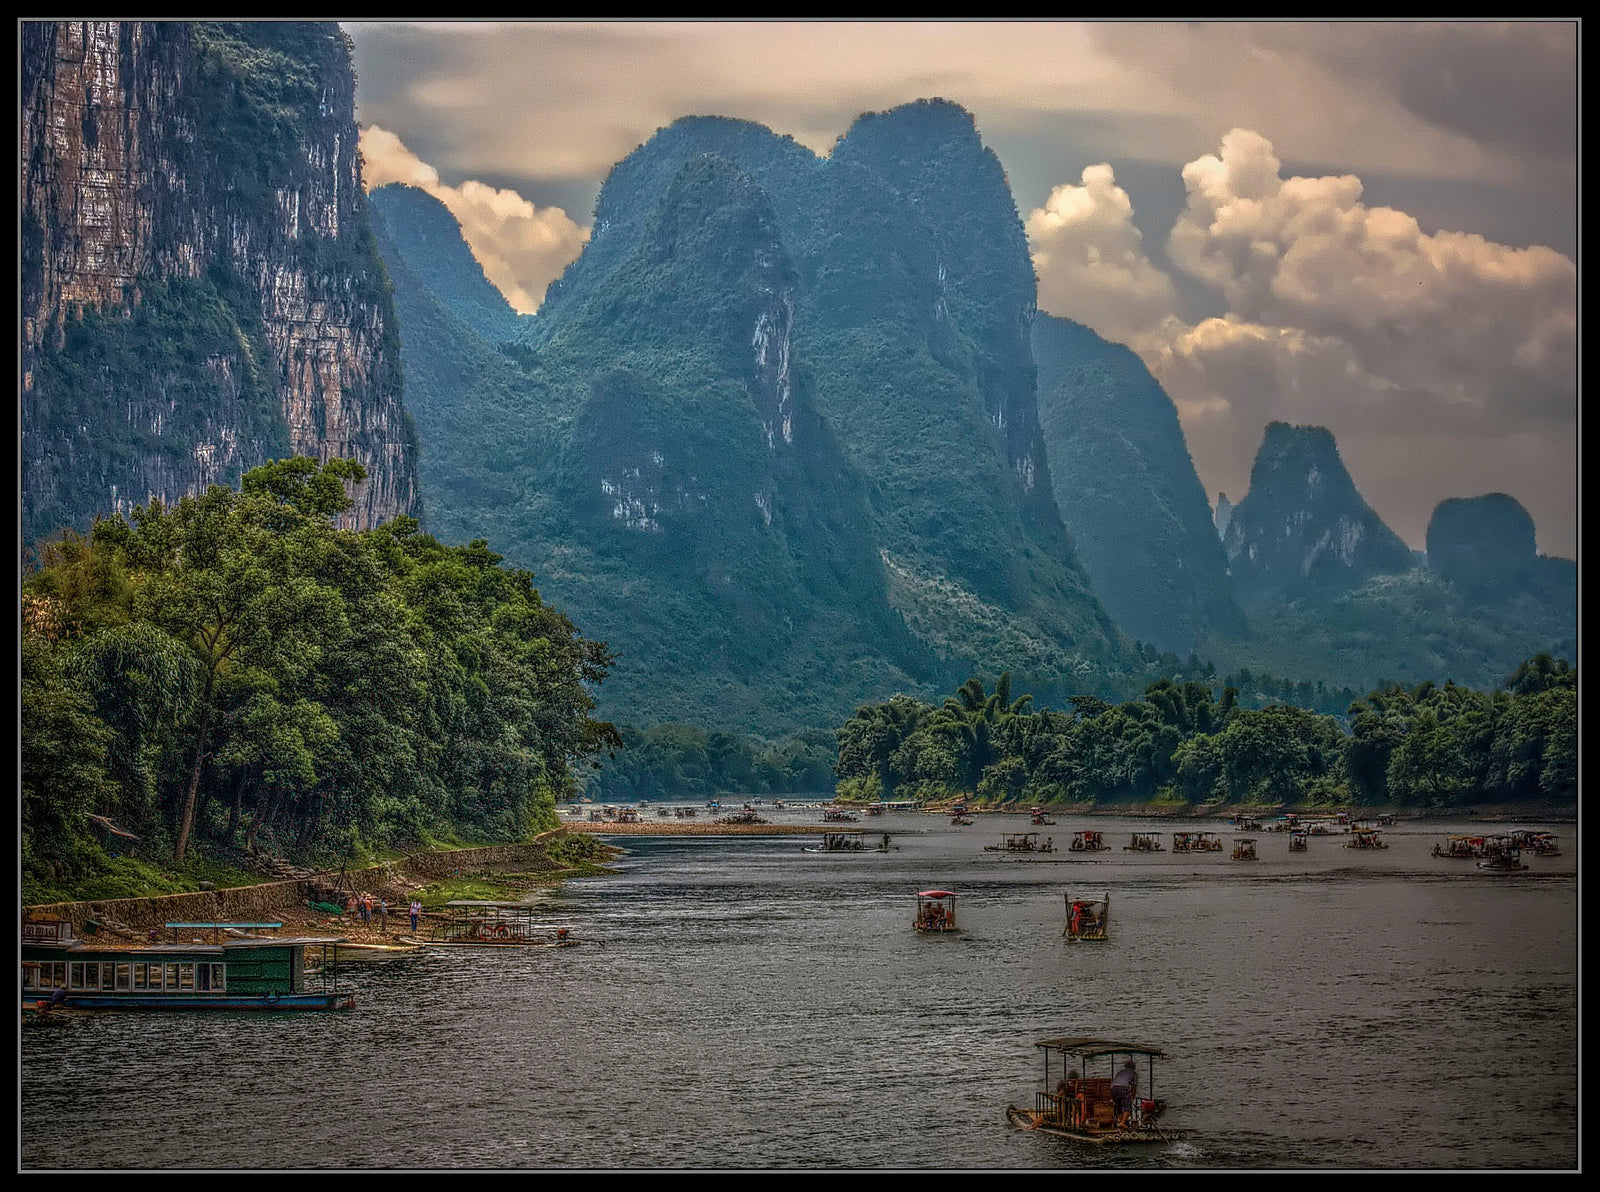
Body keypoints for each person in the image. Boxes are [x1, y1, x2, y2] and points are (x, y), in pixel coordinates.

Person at [1111, 1059, 1138, 1127]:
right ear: (1133, 1067)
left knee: (1118, 1106)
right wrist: (1133, 1097)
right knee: (1127, 1107)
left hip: (1114, 1088)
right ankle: (1122, 1123)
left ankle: (1120, 1121)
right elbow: (1134, 1087)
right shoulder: (1133, 1074)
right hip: (1123, 1088)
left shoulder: (1120, 1072)